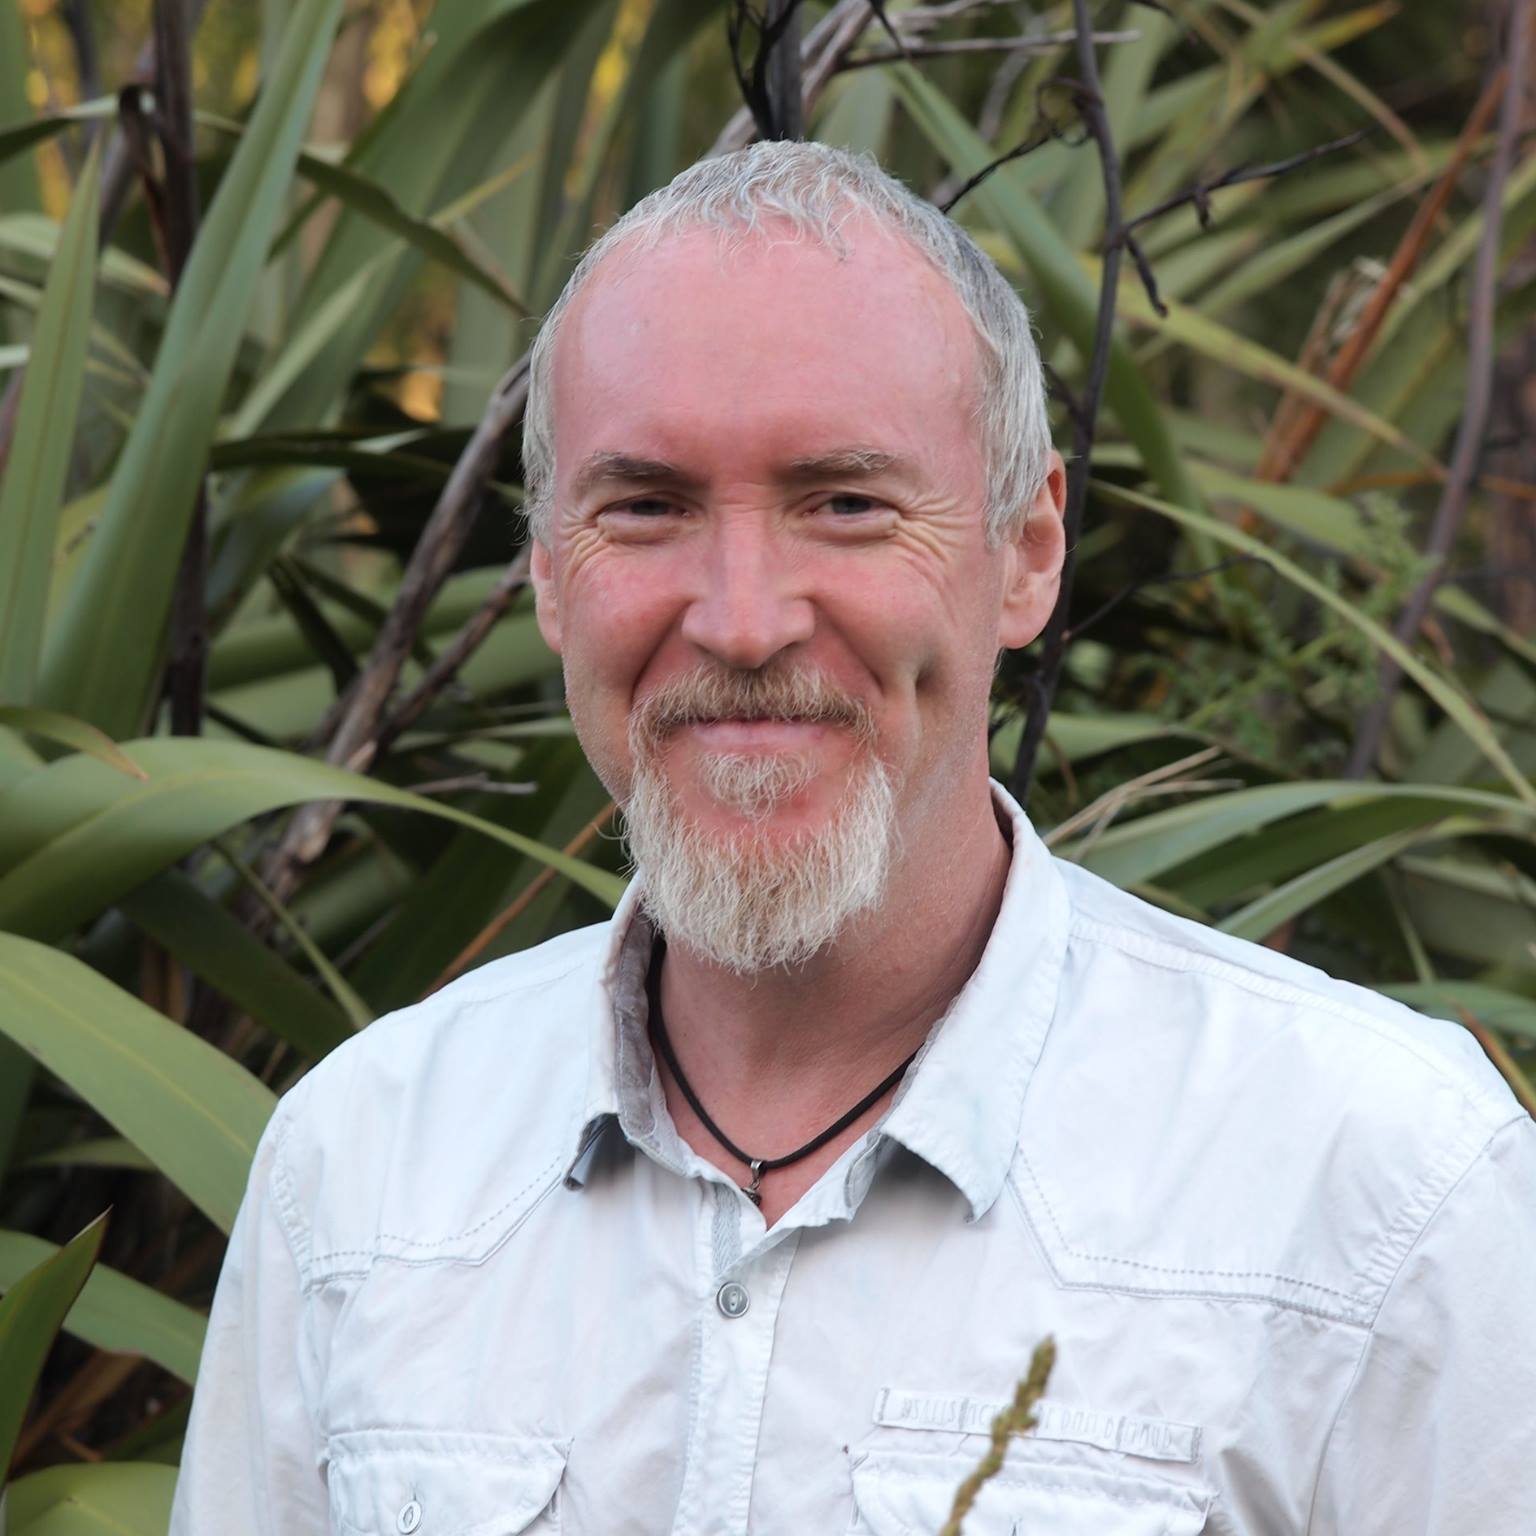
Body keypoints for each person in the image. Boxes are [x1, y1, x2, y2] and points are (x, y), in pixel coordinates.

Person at [169, 141, 1535, 1535]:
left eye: (846, 504)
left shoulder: (1376, 1191)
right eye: (646, 507)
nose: (742, 621)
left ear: (1029, 551)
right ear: (547, 572)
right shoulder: (360, 1171)